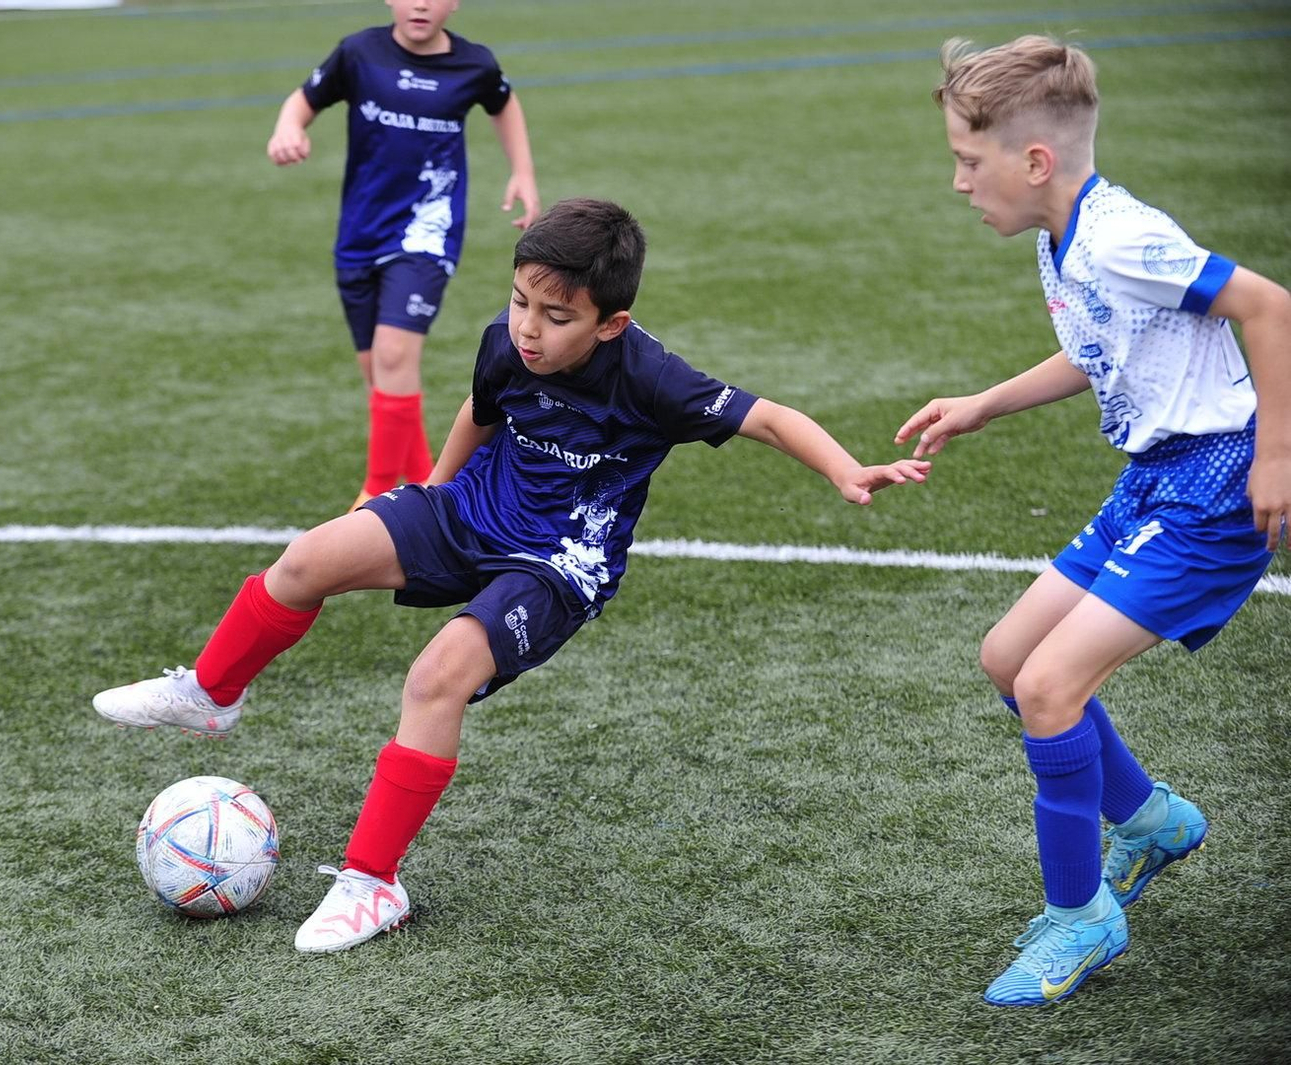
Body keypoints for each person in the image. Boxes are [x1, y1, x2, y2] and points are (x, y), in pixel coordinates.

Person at [96, 199, 930, 953]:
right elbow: (481, 408)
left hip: (558, 562)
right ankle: (212, 694)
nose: (529, 328)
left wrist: (844, 469)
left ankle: (372, 884)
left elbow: (768, 417)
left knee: (437, 676)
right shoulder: (509, 341)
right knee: (311, 557)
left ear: (610, 323)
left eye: (556, 316)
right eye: (521, 302)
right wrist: (428, 488)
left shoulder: (650, 377)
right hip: (471, 512)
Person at [899, 35, 1290, 1007]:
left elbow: (1268, 305)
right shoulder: (1057, 236)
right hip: (1152, 480)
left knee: (1045, 686)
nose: (957, 181)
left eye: (966, 159)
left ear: (1034, 161)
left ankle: (1080, 918)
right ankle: (1151, 821)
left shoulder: (1118, 234)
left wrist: (1278, 454)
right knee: (1006, 658)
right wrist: (981, 403)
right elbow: (1099, 350)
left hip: (1214, 494)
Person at [266, 0, 540, 512]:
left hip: (426, 234)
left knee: (394, 357)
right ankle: (428, 485)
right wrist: (289, 127)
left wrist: (522, 170)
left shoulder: (474, 63)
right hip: (360, 234)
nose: (420, 3)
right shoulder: (358, 53)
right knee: (381, 375)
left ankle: (377, 492)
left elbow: (504, 104)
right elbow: (303, 99)